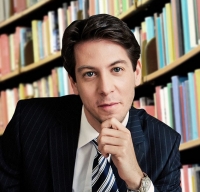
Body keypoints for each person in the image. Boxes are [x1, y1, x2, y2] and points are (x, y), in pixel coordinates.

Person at [0, 14, 181, 192]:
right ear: (74, 82)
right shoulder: (29, 123)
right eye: (90, 74)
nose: (105, 88)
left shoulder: (164, 144)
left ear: (136, 72)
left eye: (117, 69)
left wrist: (137, 180)